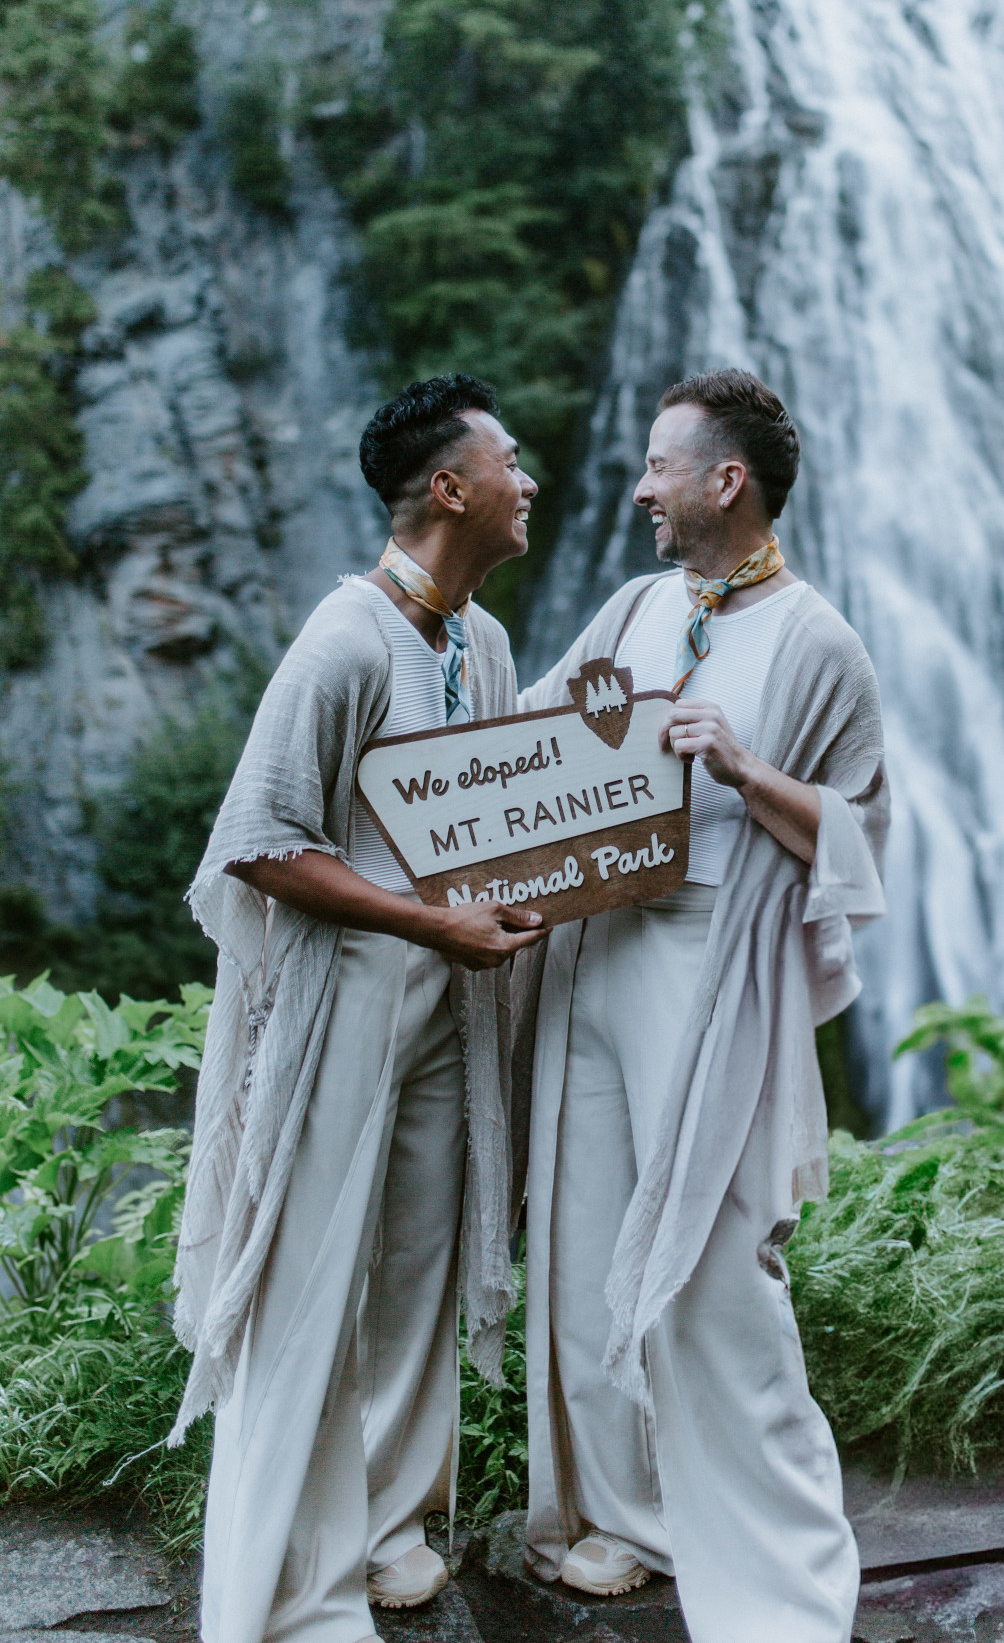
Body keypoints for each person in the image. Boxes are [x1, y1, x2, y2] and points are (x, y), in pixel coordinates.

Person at [173, 373, 546, 1643]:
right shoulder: (345, 639)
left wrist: (534, 888)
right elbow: (261, 845)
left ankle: (386, 1531)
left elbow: (490, 820)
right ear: (450, 488)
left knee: (416, 1272)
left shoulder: (481, 645)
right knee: (310, 1277)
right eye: (507, 462)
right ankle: (284, 1588)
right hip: (342, 1007)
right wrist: (432, 922)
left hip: (446, 1013)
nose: (526, 481)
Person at [519, 368, 888, 1642]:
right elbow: (528, 741)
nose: (639, 491)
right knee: (582, 1253)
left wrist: (741, 766)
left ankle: (784, 1590)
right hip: (593, 955)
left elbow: (861, 837)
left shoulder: (819, 642)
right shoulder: (633, 607)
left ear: (725, 482)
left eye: (658, 468)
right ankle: (631, 1518)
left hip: (709, 964)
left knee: (716, 1274)